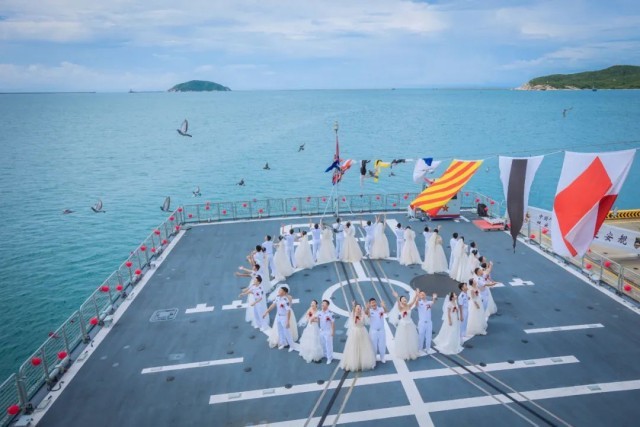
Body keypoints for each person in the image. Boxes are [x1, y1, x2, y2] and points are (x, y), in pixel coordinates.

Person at [340, 302, 377, 372]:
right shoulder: (353, 315)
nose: (358, 309)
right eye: (357, 308)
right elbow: (354, 322)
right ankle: (352, 364)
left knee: (363, 348)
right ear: (355, 309)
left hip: (362, 332)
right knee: (353, 348)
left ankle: (362, 363)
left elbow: (368, 317)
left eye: (359, 308)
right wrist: (353, 306)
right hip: (355, 333)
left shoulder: (363, 315)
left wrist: (367, 308)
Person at [264, 287, 295, 351]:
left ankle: (292, 346)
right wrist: (266, 312)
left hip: (284, 317)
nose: (279, 291)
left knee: (287, 332)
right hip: (278, 316)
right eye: (279, 290)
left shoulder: (285, 300)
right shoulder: (277, 297)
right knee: (280, 331)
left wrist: (287, 321)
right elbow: (273, 305)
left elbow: (288, 311)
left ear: (284, 292)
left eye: (281, 290)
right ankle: (283, 343)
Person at [392, 290, 420, 361]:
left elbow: (413, 300)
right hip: (403, 325)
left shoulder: (409, 306)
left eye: (405, 299)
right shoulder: (400, 308)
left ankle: (411, 352)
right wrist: (397, 297)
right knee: (404, 339)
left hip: (410, 324)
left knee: (411, 338)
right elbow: (398, 303)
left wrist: (416, 294)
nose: (404, 299)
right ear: (401, 301)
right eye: (403, 299)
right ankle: (405, 353)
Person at [365, 298, 387, 363]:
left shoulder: (380, 309)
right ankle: (374, 358)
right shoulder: (369, 310)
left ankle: (382, 357)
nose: (374, 304)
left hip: (381, 330)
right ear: (370, 304)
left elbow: (386, 311)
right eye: (372, 303)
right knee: (373, 346)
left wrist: (384, 306)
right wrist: (367, 308)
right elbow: (366, 314)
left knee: (382, 345)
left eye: (374, 302)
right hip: (373, 331)